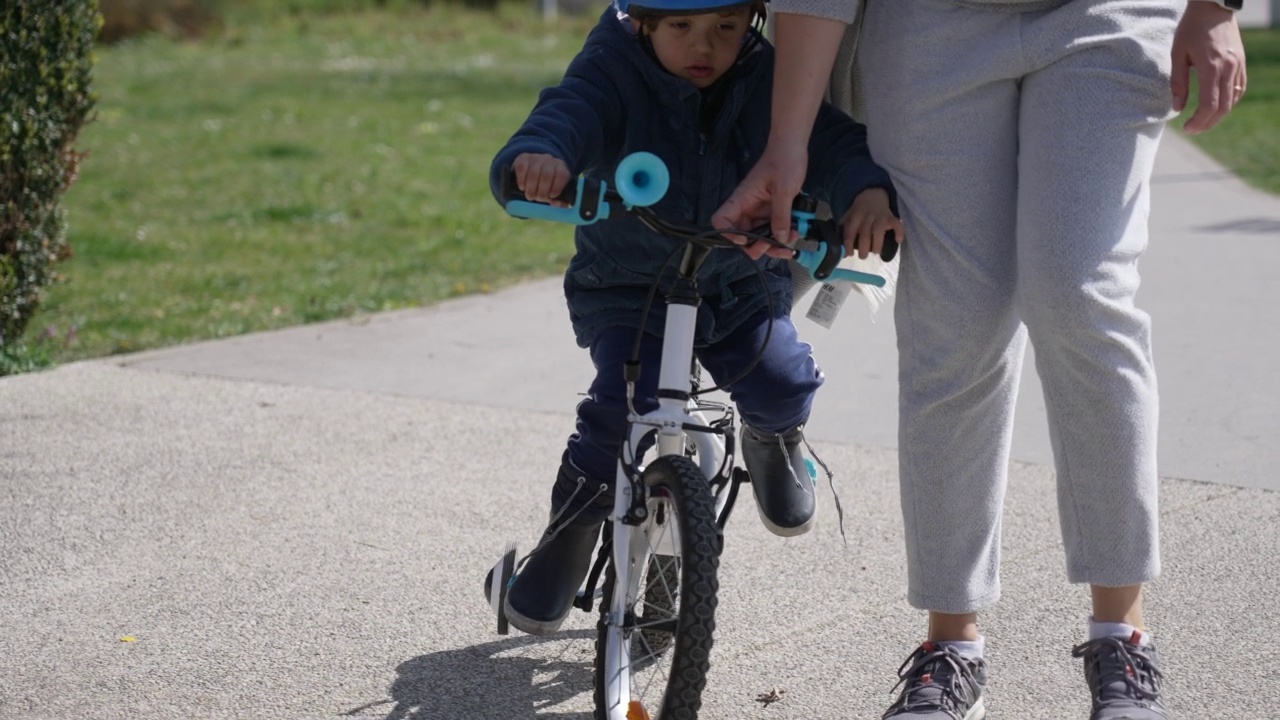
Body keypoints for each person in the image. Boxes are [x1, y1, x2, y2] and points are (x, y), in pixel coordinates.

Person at [712, 0, 1247, 717]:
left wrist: (1215, 5)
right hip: (931, 27)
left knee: (1080, 294)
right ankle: (951, 646)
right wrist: (790, 138)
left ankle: (1123, 636)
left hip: (1108, 15)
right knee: (953, 326)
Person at [484, 0, 904, 636]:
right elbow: (568, 113)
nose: (704, 46)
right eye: (681, 27)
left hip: (737, 286)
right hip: (632, 286)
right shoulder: (614, 66)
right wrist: (541, 157)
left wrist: (866, 194)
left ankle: (775, 440)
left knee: (783, 379)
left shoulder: (765, 76)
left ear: (752, 24)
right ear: (644, 21)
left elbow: (829, 140)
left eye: (726, 28)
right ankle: (569, 537)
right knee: (620, 408)